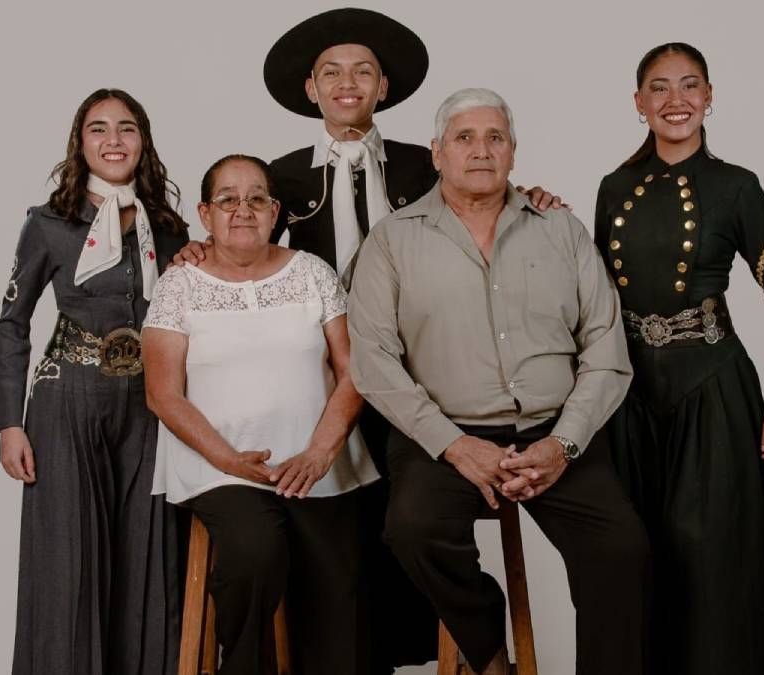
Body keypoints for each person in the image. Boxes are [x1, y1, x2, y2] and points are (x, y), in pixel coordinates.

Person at [175, 12, 563, 670]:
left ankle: (459, 642)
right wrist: (199, 248)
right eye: (331, 73)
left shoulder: (428, 160)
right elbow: (244, 245)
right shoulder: (282, 177)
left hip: (428, 372)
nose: (346, 83)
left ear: (383, 86)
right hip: (331, 376)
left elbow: (486, 198)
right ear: (311, 90)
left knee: (408, 518)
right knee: (335, 527)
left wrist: (530, 197)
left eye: (361, 71)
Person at [348, 87, 650, 675]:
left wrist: (563, 444)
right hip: (445, 437)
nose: (481, 151)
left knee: (622, 549)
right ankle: (487, 651)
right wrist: (456, 447)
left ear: (514, 151)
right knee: (411, 529)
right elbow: (374, 361)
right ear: (437, 153)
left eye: (496, 138)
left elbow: (607, 348)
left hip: (556, 431)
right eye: (464, 138)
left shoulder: (560, 229)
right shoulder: (392, 239)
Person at [593, 42, 764, 674]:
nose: (675, 100)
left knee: (710, 553)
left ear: (709, 97)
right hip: (631, 394)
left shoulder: (736, 186)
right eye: (659, 88)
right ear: (639, 103)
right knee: (639, 553)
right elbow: (594, 289)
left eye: (690, 86)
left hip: (711, 385)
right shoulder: (614, 187)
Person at [142, 154, 380, 675]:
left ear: (276, 212)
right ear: (205, 214)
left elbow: (354, 372)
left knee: (340, 586)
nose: (242, 209)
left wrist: (320, 453)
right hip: (220, 469)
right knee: (255, 553)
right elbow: (163, 394)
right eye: (228, 199)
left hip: (320, 466)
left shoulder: (313, 273)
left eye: (256, 199)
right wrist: (229, 461)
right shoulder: (178, 284)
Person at [0, 88, 189, 675]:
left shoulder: (169, 228)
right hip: (67, 398)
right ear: (80, 143)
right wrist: (9, 423)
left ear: (143, 141)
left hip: (152, 403)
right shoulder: (50, 224)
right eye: (98, 129)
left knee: (149, 556)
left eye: (126, 129)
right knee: (68, 564)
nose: (113, 141)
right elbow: (12, 324)